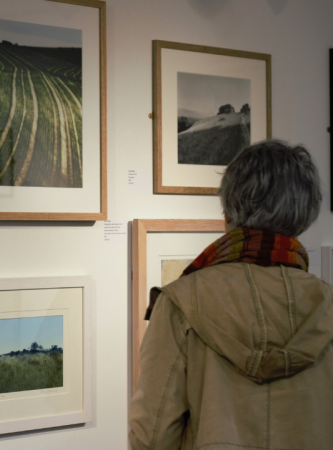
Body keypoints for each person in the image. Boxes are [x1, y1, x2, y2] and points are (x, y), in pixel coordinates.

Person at [129, 140, 333, 450]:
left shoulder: (181, 302)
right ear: (304, 213)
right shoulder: (327, 306)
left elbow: (153, 438)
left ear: (229, 209)